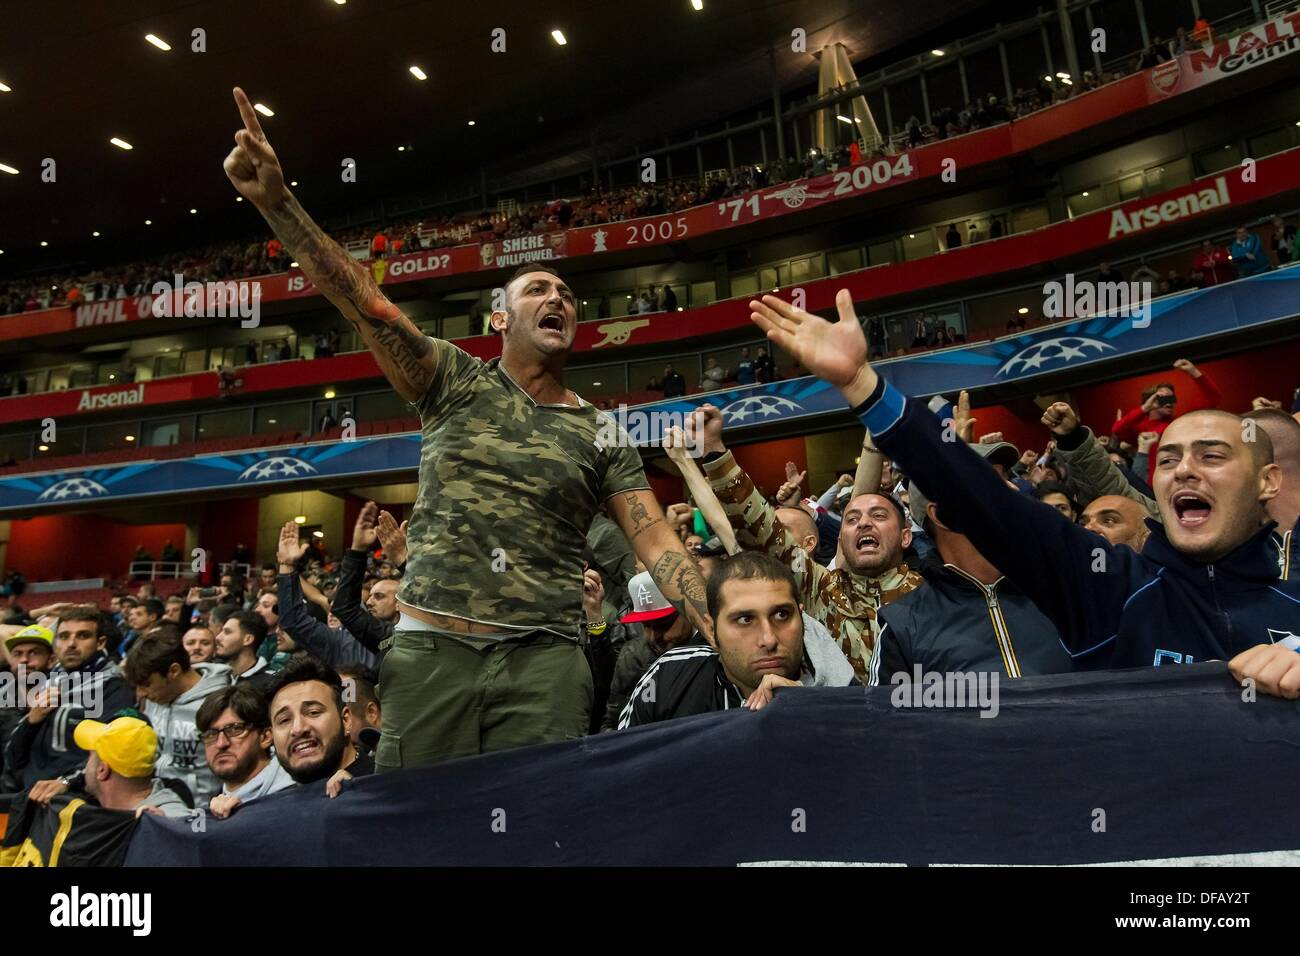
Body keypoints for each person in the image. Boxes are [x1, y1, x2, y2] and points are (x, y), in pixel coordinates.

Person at [223, 87, 707, 768]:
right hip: (430, 657)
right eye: (537, 290)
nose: (558, 298)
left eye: (567, 295)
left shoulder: (601, 431)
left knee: (536, 832)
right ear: (499, 321)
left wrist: (718, 621)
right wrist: (279, 203)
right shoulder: (451, 378)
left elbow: (653, 535)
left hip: (545, 664)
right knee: (418, 833)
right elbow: (361, 302)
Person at [750, 288, 1300, 697]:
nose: (1183, 471)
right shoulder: (1108, 586)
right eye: (1169, 459)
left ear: (1267, 482)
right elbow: (985, 501)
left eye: (1211, 455)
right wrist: (862, 385)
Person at [690, 405, 923, 678]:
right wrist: (715, 452)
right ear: (841, 539)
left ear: (906, 536)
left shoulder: (933, 595)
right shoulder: (820, 587)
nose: (863, 523)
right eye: (851, 519)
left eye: (879, 515)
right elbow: (762, 531)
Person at [870, 456, 1072, 685]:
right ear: (943, 515)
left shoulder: (1065, 592)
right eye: (989, 483)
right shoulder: (903, 624)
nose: (1013, 490)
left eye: (1005, 480)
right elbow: (884, 719)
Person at [619, 552, 856, 727]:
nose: (768, 639)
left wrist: (813, 712)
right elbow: (624, 770)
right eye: (745, 620)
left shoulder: (844, 697)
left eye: (782, 615)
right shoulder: (668, 679)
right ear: (711, 630)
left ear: (801, 618)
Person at [4, 609, 134, 791]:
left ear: (100, 643)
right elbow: (13, 756)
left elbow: (112, 752)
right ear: (56, 644)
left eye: (83, 636)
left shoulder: (114, 686)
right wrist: (31, 721)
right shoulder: (50, 681)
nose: (71, 644)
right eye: (64, 637)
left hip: (75, 798)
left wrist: (67, 782)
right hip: (30, 794)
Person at [124, 630, 232, 806]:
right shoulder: (157, 697)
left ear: (173, 671)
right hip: (154, 802)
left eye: (147, 684)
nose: (141, 694)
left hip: (200, 811)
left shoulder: (221, 703)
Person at [267, 658, 372, 790]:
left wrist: (361, 794)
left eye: (313, 712)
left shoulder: (387, 784)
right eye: (284, 720)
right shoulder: (277, 805)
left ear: (346, 720)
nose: (298, 728)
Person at [1113, 359, 1220, 484]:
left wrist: (1193, 371)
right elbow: (1117, 430)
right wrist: (1144, 408)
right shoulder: (1140, 428)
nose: (1169, 402)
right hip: (1153, 487)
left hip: (1184, 478)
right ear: (1150, 401)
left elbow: (1213, 398)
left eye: (1171, 398)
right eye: (1163, 399)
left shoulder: (1179, 423)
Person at [198, 683, 294, 819]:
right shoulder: (215, 804)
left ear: (266, 737)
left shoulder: (293, 791)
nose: (221, 743)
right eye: (211, 734)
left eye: (235, 730)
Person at [74, 716, 191, 818]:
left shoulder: (167, 818)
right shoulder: (98, 806)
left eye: (90, 756)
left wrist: (165, 831)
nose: (86, 765)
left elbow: (190, 831)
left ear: (102, 770)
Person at [214, 610, 276, 689]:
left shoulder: (270, 682)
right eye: (221, 631)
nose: (218, 637)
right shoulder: (216, 674)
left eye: (227, 632)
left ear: (248, 639)